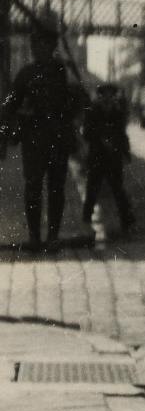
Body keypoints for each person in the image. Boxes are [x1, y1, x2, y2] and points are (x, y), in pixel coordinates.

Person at [1, 26, 87, 249]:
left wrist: (73, 122)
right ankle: (34, 237)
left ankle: (52, 236)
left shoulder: (64, 73)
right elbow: (9, 104)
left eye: (42, 45)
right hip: (33, 139)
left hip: (58, 138)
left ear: (51, 47)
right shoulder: (26, 74)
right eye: (34, 45)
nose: (37, 49)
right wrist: (14, 123)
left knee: (56, 188)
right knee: (33, 187)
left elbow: (82, 100)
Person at [82, 82, 135, 234]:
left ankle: (127, 220)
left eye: (110, 95)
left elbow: (122, 134)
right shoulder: (93, 112)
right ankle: (86, 218)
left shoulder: (117, 112)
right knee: (92, 188)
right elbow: (86, 133)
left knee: (118, 189)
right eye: (104, 95)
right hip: (97, 156)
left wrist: (125, 152)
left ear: (113, 97)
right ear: (100, 96)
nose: (107, 98)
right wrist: (100, 137)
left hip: (113, 156)